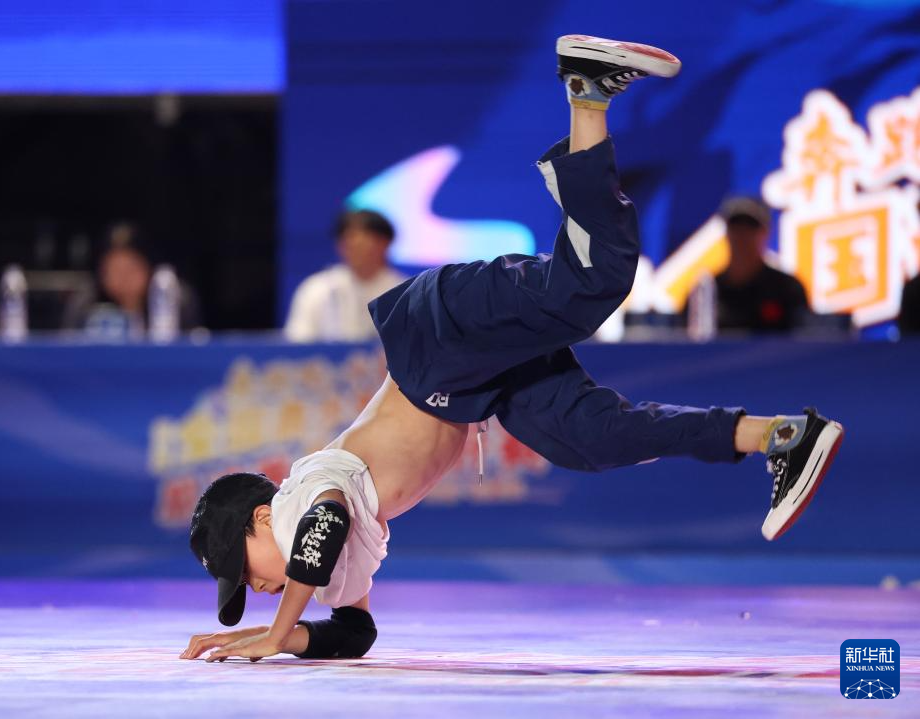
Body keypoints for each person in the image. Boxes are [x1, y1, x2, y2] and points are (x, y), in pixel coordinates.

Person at [180, 35, 845, 664]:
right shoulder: (329, 562)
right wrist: (290, 638)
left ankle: (587, 93)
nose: (256, 590)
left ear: (261, 517)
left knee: (590, 282)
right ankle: (781, 436)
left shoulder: (300, 499)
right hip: (476, 380)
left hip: (441, 339)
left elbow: (321, 525)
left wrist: (276, 631)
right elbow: (356, 633)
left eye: (243, 570)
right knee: (592, 439)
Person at [283, 210, 407, 342]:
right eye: (348, 240)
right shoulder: (316, 289)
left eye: (364, 240)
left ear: (385, 243)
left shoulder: (404, 292)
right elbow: (297, 342)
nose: (355, 246)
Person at [62, 223, 202, 338]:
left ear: (148, 267)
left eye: (131, 269)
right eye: (115, 270)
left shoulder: (172, 299)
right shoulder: (85, 305)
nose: (124, 279)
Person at [712, 196, 810, 333]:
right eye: (736, 227)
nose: (742, 235)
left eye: (750, 227)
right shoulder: (707, 291)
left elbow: (805, 339)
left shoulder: (787, 289)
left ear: (766, 232)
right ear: (727, 233)